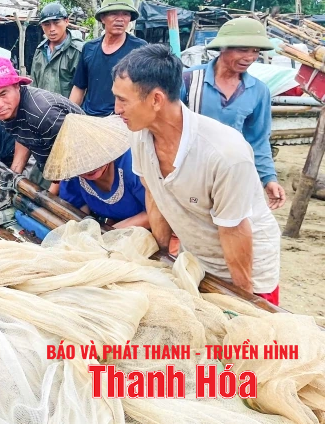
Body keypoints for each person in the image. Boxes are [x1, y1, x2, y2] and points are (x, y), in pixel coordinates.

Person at [112, 44, 281, 305]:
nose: (117, 109)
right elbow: (154, 195)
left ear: (156, 99)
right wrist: (162, 257)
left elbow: (235, 230)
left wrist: (244, 299)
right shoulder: (139, 136)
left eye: (123, 100)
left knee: (247, 338)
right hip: (197, 259)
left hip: (248, 269)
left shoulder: (225, 154)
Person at [181, 18, 286, 210]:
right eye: (243, 50)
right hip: (190, 171)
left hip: (232, 172)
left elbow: (258, 140)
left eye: (255, 51)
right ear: (223, 48)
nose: (250, 57)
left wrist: (268, 179)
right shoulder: (189, 80)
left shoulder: (258, 90)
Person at [0, 57, 83, 195]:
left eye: (3, 94)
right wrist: (13, 174)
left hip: (80, 167)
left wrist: (49, 197)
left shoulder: (43, 114)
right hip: (49, 162)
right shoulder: (6, 110)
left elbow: (69, 157)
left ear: (17, 86)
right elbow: (22, 134)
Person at [43, 114, 147, 229]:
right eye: (82, 161)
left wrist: (109, 233)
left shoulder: (131, 165)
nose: (90, 167)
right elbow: (76, 211)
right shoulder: (74, 176)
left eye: (94, 155)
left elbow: (155, 212)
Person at [70, 0, 147, 116]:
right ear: (102, 18)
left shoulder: (139, 49)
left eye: (126, 14)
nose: (120, 19)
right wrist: (69, 115)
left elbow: (145, 90)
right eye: (114, 13)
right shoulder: (89, 48)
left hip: (122, 120)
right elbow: (79, 87)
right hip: (89, 118)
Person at [30, 1, 84, 97]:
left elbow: (82, 89)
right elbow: (34, 85)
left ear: (66, 21)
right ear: (42, 26)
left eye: (56, 22)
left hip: (69, 110)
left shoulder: (78, 51)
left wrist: (70, 111)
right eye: (46, 24)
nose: (52, 29)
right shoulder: (40, 50)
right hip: (42, 109)